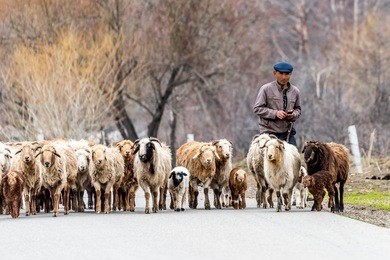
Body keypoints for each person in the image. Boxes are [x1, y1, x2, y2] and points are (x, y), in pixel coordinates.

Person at [253, 61, 301, 146]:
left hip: (287, 132)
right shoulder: (266, 89)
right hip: (268, 133)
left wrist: (293, 115)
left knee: (295, 157)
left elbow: (298, 109)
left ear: (290, 74)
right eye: (281, 73)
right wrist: (275, 113)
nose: (284, 77)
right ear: (275, 73)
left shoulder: (295, 91)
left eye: (287, 74)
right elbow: (257, 109)